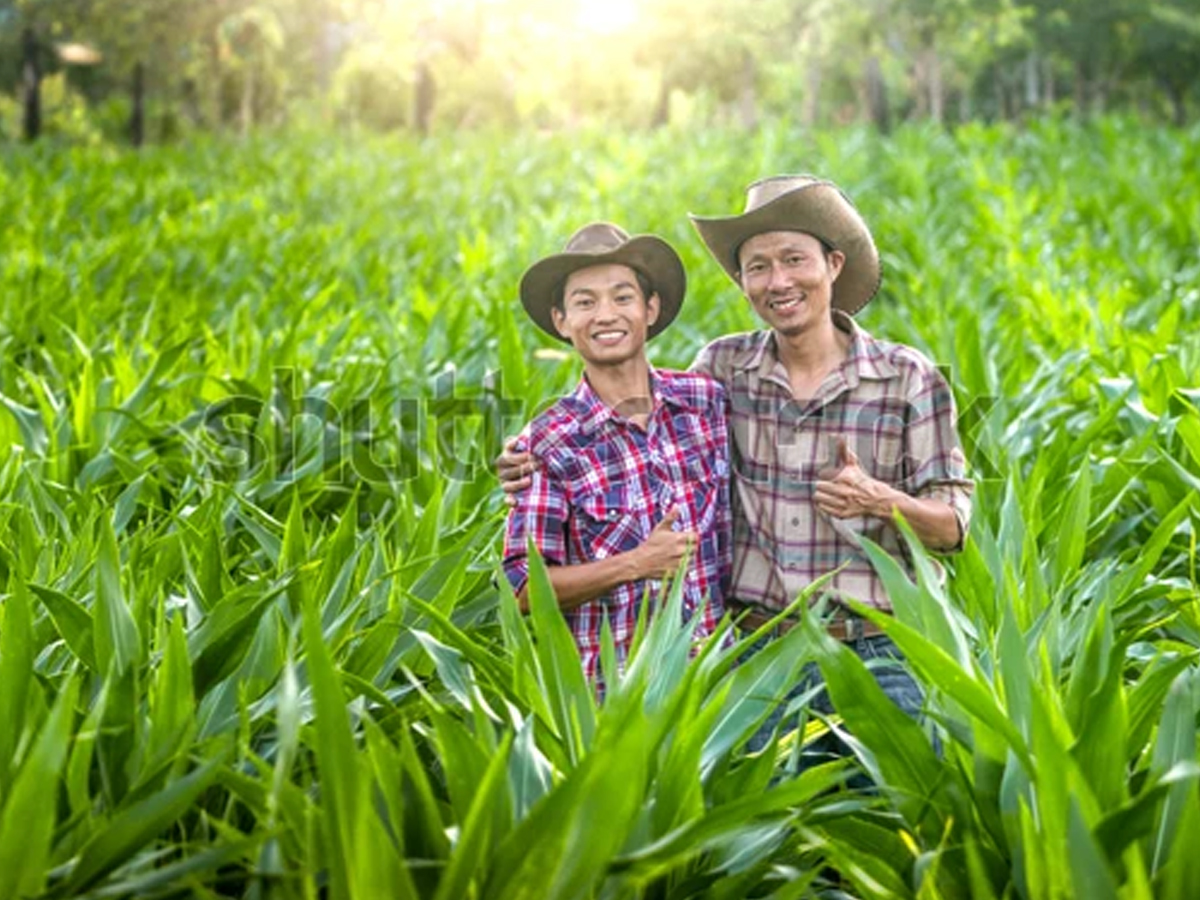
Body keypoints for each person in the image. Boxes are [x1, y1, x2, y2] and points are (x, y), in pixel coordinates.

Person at [500, 177, 972, 754]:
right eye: (757, 266)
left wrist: (881, 500)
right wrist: (525, 458)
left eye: (794, 260)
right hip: (757, 656)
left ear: (833, 264)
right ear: (743, 282)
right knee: (764, 826)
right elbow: (626, 415)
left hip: (879, 649)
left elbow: (954, 530)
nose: (779, 281)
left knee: (906, 808)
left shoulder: (907, 378)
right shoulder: (720, 372)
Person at [501, 222, 731, 695]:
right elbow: (523, 587)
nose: (606, 314)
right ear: (562, 321)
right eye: (585, 302)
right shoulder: (547, 444)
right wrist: (637, 563)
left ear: (650, 309)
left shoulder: (706, 403)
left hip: (722, 684)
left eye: (622, 297)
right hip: (618, 696)